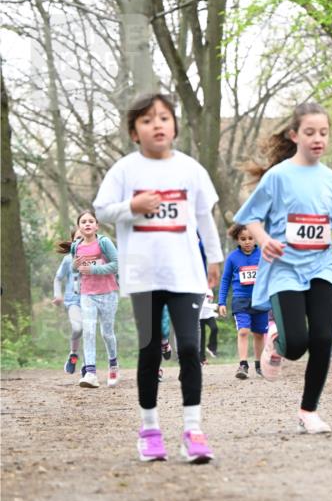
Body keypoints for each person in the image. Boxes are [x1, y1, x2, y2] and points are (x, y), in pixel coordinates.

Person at [94, 92, 222, 463]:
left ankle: (192, 430)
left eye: (164, 118)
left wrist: (214, 258)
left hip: (185, 273)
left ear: (174, 125)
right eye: (147, 120)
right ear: (135, 132)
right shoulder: (124, 170)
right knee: (151, 349)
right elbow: (102, 209)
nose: (157, 125)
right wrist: (131, 207)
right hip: (143, 274)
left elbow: (203, 218)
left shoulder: (191, 169)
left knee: (190, 348)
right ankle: (149, 429)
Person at [234, 101, 332, 434]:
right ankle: (278, 341)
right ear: (295, 135)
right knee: (297, 344)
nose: (318, 138)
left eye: (324, 133)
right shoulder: (279, 176)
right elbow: (248, 217)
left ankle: (308, 411)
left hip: (321, 267)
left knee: (323, 336)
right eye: (310, 132)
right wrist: (264, 239)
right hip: (285, 269)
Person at [63, 211, 119, 389]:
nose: (87, 224)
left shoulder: (104, 242)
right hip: (87, 294)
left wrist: (93, 268)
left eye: (90, 221)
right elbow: (74, 268)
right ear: (79, 227)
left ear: (96, 226)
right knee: (88, 332)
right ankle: (91, 373)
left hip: (108, 293)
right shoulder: (76, 246)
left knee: (106, 333)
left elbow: (116, 265)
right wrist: (76, 265)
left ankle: (113, 366)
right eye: (83, 222)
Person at [218, 223, 267, 380]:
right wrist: (221, 302)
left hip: (260, 299)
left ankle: (259, 365)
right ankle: (243, 364)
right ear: (237, 239)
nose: (247, 242)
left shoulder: (263, 255)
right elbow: (225, 280)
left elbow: (271, 276)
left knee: (259, 334)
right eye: (243, 239)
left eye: (250, 238)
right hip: (240, 300)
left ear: (256, 239)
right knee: (243, 331)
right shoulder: (232, 257)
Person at [53, 226, 83, 375]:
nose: (81, 241)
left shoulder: (97, 257)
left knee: (90, 331)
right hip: (73, 301)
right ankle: (73, 354)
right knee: (78, 328)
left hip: (93, 299)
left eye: (84, 238)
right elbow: (58, 279)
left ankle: (89, 365)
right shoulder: (67, 259)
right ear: (72, 242)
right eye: (77, 238)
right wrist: (58, 295)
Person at [199, 289, 218, 363]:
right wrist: (213, 306)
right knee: (202, 338)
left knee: (214, 328)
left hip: (209, 315)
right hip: (200, 317)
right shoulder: (200, 289)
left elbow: (208, 303)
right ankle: (202, 359)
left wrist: (214, 313)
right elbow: (201, 303)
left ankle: (211, 348)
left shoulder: (210, 291)